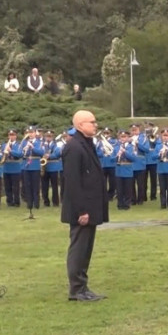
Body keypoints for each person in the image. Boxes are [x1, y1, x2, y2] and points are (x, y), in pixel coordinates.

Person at [61, 110, 109, 302]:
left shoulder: (86, 144)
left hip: (91, 206)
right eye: (92, 122)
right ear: (80, 125)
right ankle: (76, 289)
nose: (95, 125)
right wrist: (82, 210)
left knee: (86, 249)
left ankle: (83, 286)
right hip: (82, 210)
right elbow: (73, 182)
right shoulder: (74, 147)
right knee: (79, 248)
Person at [21, 126, 45, 210]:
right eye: (29, 132)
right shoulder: (24, 142)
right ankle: (29, 203)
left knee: (36, 186)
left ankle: (36, 203)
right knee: (27, 185)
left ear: (35, 133)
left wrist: (32, 147)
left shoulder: (39, 142)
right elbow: (21, 154)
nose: (30, 134)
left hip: (35, 166)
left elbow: (41, 152)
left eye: (32, 132)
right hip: (27, 166)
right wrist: (25, 149)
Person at [2, 129, 23, 207]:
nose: (11, 136)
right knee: (7, 186)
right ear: (8, 136)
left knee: (16, 187)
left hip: (15, 168)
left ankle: (17, 202)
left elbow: (20, 154)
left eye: (13, 135)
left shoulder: (19, 145)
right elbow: (2, 154)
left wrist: (11, 151)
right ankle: (9, 201)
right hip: (6, 168)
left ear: (16, 136)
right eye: (10, 135)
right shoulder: (4, 145)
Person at [41, 130, 62, 207]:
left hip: (54, 167)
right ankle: (46, 201)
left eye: (49, 136)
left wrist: (49, 156)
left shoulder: (57, 144)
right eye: (47, 136)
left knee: (54, 186)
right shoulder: (42, 144)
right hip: (45, 167)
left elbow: (57, 154)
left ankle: (55, 202)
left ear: (52, 137)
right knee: (44, 186)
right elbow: (40, 152)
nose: (48, 138)